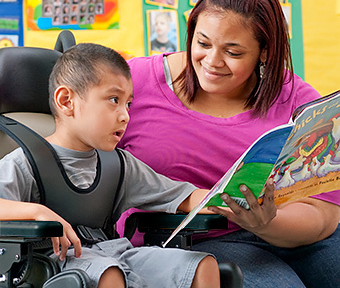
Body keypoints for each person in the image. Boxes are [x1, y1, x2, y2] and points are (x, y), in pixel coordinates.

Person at [117, 0, 340, 288]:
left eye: (233, 52)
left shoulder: (297, 99)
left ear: (264, 52)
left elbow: (323, 214)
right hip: (193, 239)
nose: (212, 61)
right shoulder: (132, 82)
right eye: (203, 43)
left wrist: (269, 221)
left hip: (289, 231)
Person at [0, 43, 221, 288]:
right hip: (54, 260)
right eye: (113, 100)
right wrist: (36, 213)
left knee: (201, 266)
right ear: (66, 101)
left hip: (112, 251)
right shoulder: (25, 163)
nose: (125, 115)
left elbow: (185, 197)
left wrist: (236, 195)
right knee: (109, 274)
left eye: (128, 104)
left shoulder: (118, 165)